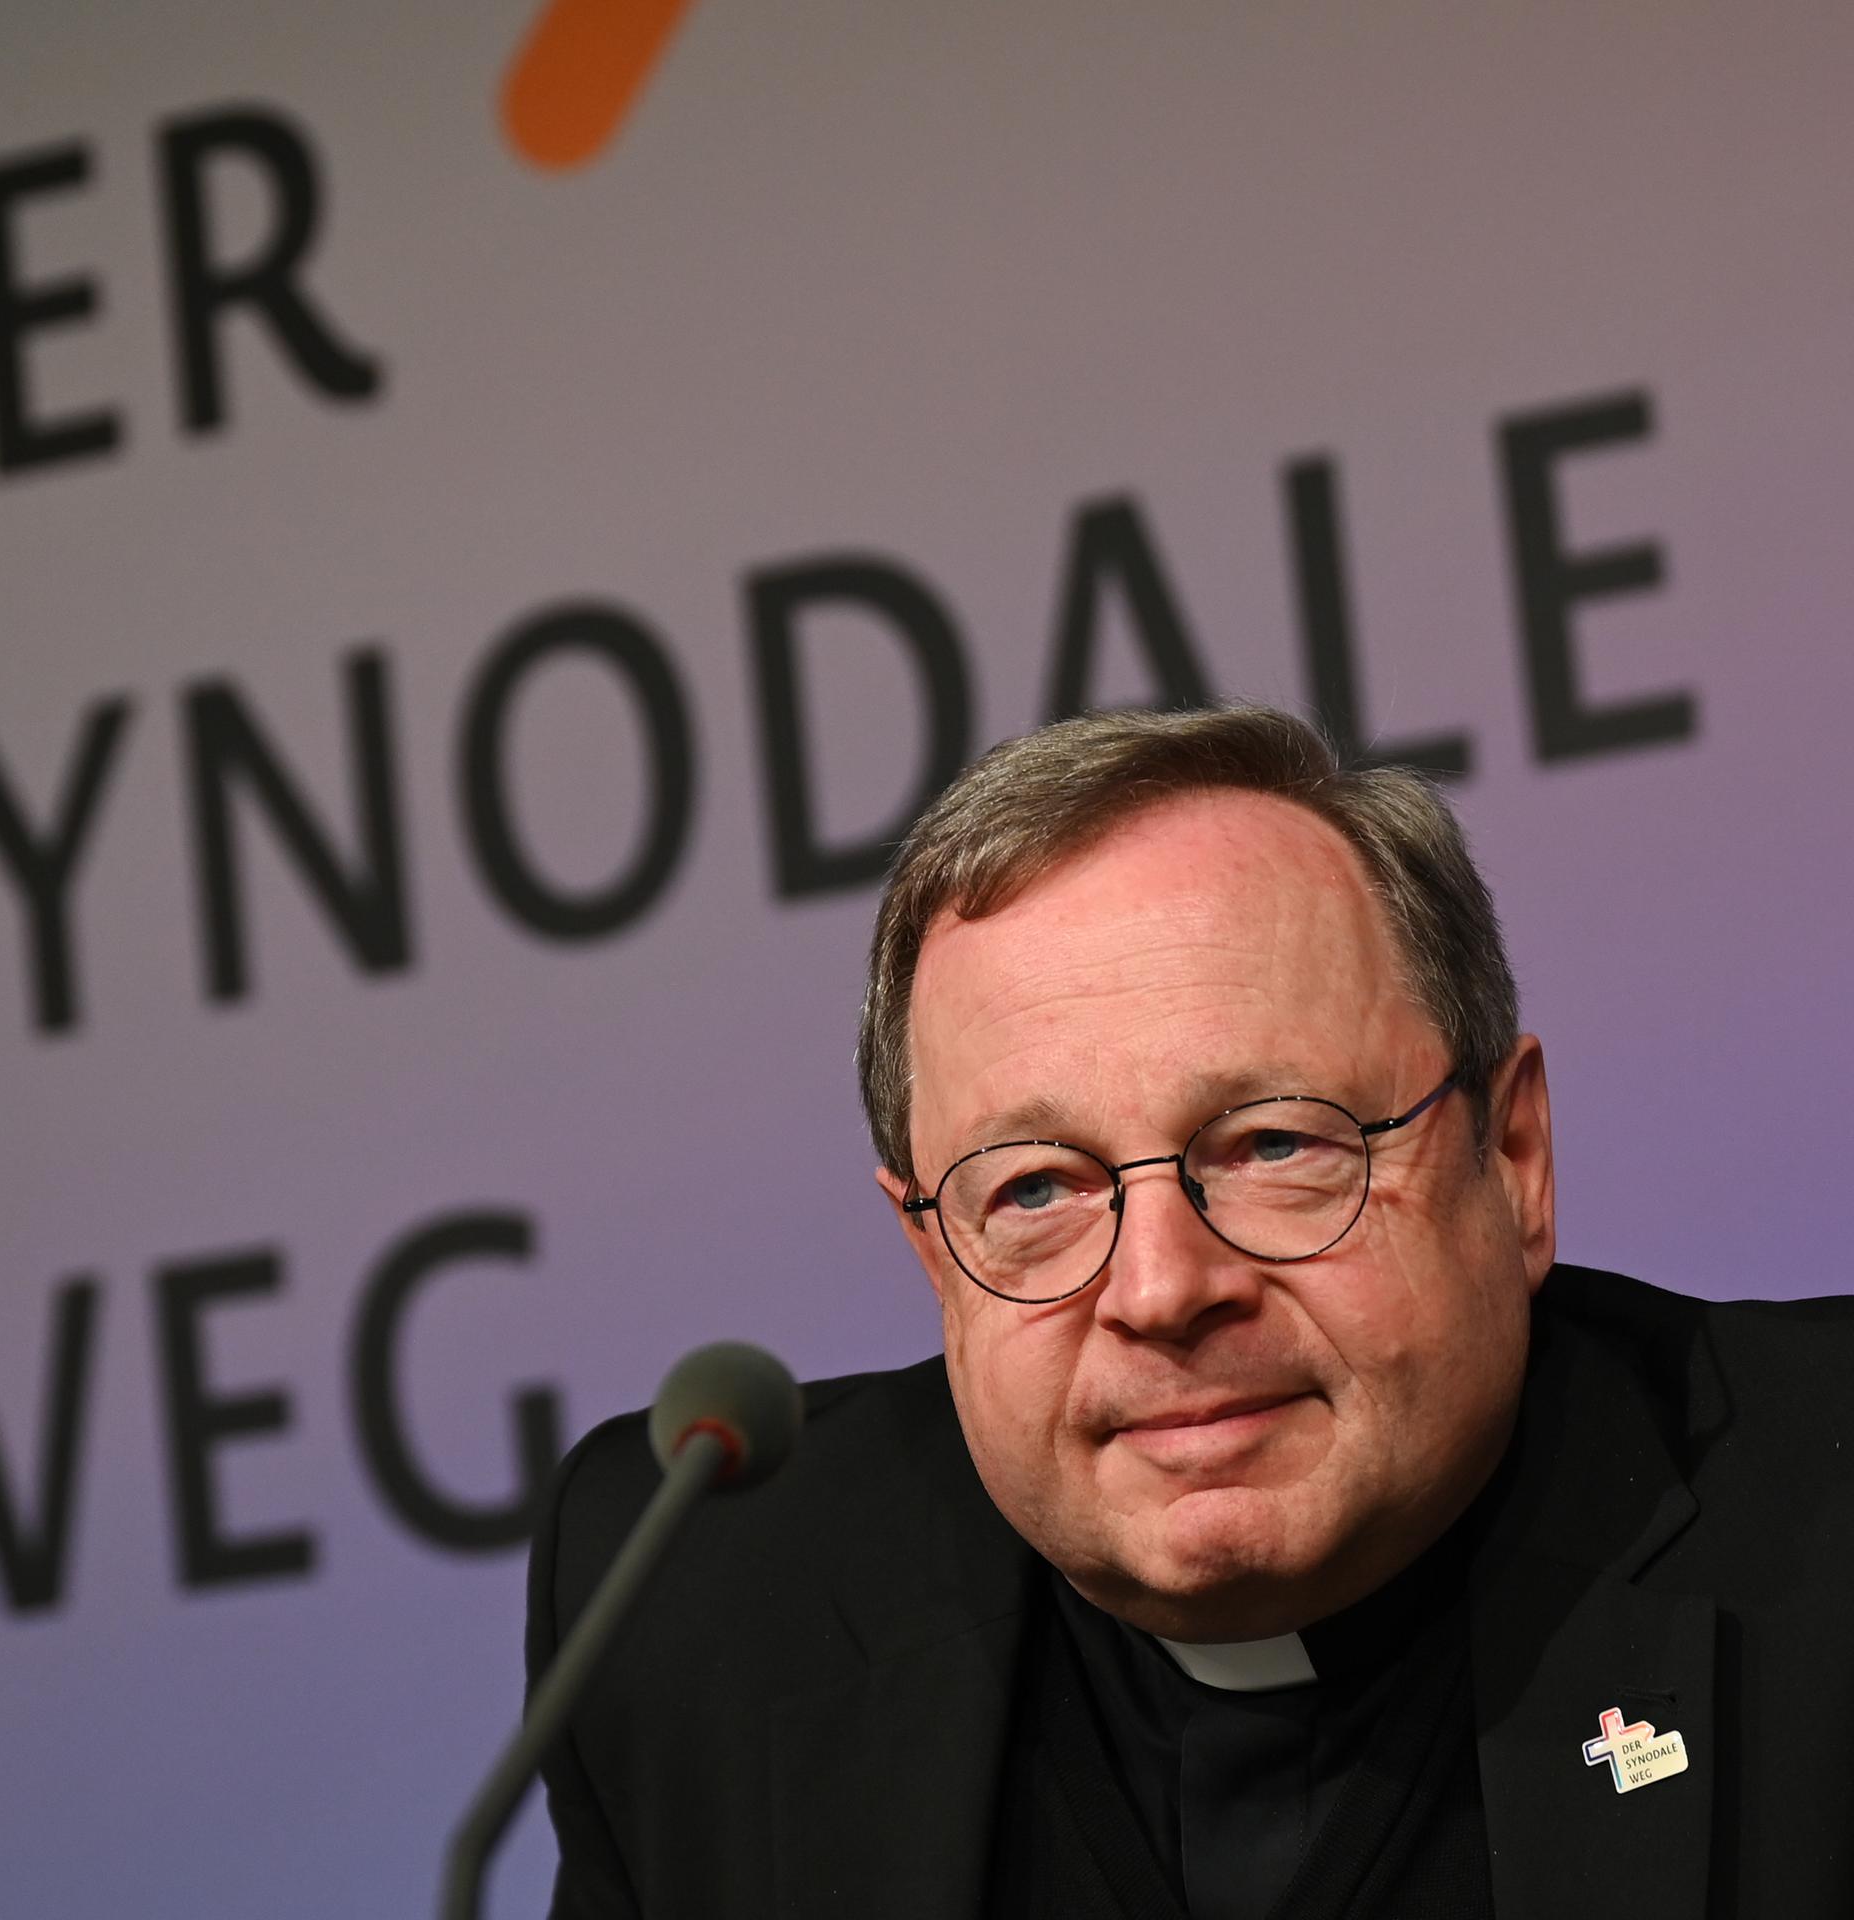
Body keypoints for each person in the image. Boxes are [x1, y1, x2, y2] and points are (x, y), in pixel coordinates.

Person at [527, 704, 1854, 1918]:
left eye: (1275, 1147)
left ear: (1512, 1160)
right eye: (1038, 1188)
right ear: (933, 1254)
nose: (1161, 1290)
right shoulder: (707, 1609)